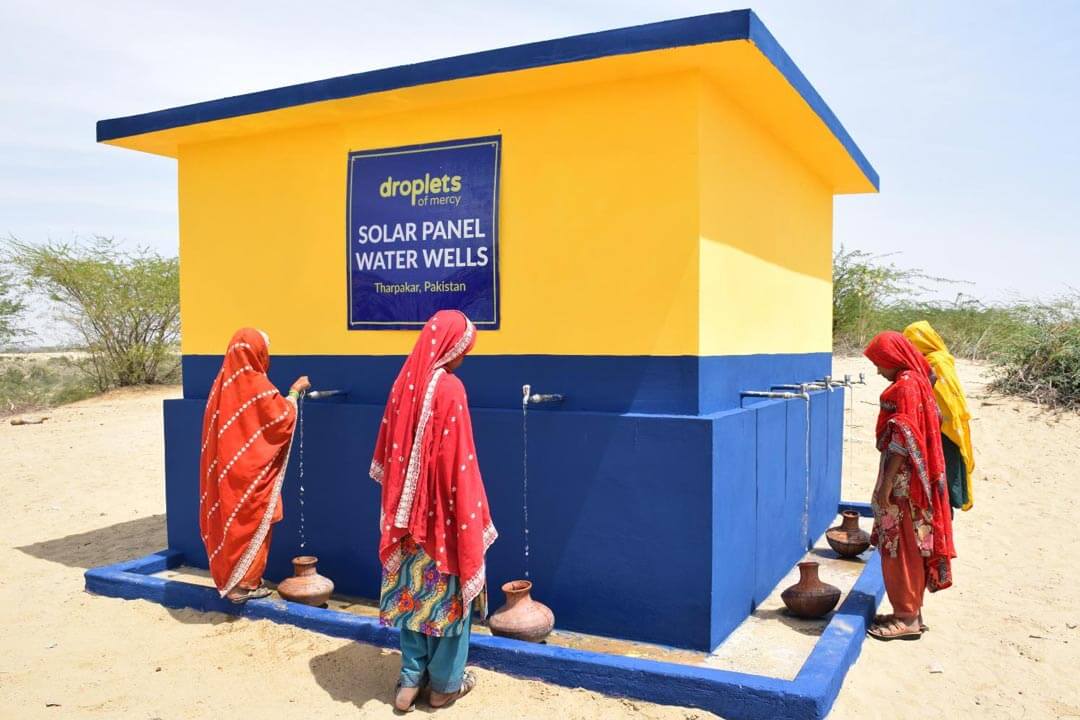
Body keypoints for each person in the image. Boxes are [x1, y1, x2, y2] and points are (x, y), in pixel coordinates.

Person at [369, 310, 496, 711]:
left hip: (403, 522)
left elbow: (387, 456)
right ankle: (444, 685)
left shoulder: (402, 383)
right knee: (449, 600)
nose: (463, 357)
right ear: (449, 347)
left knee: (411, 596)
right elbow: (457, 460)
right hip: (441, 518)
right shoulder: (451, 389)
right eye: (463, 349)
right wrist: (469, 513)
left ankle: (409, 681)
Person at [199, 328, 310, 603]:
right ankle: (244, 585)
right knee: (256, 521)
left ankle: (231, 580)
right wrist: (295, 392)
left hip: (227, 473)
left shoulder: (221, 386)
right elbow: (281, 419)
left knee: (231, 522)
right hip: (252, 473)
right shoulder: (257, 385)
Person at [863, 331, 956, 641]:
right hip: (916, 482)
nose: (878, 371)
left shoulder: (905, 386)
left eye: (879, 363)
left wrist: (885, 486)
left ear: (893, 360)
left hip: (904, 486)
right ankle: (910, 609)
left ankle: (907, 618)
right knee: (912, 546)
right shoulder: (918, 381)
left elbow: (903, 439)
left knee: (899, 548)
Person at [903, 321, 975, 511]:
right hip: (946, 424)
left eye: (911, 342)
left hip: (945, 428)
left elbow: (943, 398)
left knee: (943, 475)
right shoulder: (938, 359)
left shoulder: (937, 362)